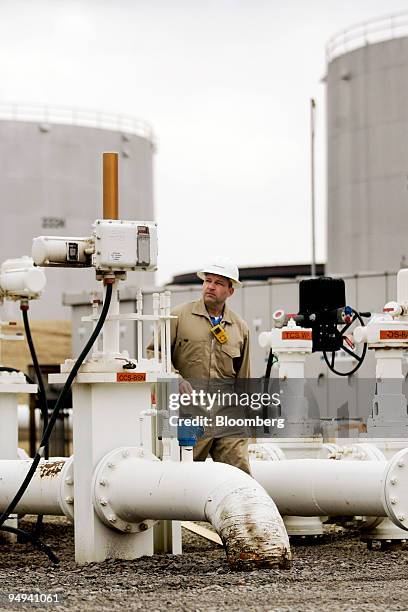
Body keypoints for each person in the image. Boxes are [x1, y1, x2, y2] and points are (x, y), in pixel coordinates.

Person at [154, 256, 251, 474]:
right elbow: (155, 354)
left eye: (218, 283)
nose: (210, 287)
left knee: (238, 471)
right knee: (185, 474)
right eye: (208, 281)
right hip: (188, 411)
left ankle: (241, 508)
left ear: (230, 290)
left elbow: (243, 376)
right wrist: (175, 378)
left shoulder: (240, 328)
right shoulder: (178, 316)